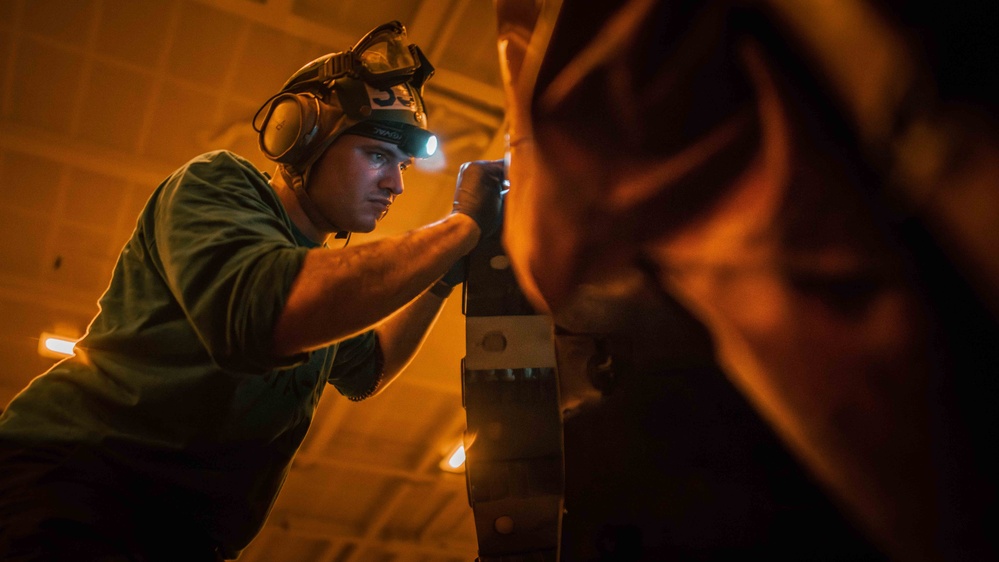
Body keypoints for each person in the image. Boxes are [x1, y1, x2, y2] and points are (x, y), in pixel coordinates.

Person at [0, 21, 503, 561]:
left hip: (183, 539)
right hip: (70, 485)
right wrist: (458, 227)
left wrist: (446, 273)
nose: (397, 184)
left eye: (403, 165)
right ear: (303, 137)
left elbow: (371, 368)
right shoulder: (217, 184)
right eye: (378, 156)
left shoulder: (323, 283)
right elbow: (262, 314)